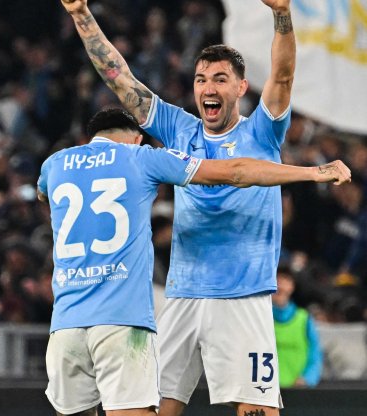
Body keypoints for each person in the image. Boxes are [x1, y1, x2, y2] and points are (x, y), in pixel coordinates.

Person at [60, 0, 299, 414]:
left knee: (255, 410)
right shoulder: (179, 128)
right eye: (201, 79)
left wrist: (282, 14)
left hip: (242, 296)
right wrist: (81, 14)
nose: (209, 88)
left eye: (221, 79)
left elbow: (282, 75)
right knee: (151, 407)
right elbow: (120, 79)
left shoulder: (262, 132)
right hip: (182, 296)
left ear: (241, 88)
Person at [37, 108, 349, 416]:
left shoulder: (55, 164)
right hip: (120, 321)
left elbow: (43, 193)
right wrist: (311, 172)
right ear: (136, 139)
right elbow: (236, 171)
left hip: (65, 323)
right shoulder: (142, 157)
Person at [272, 265, 322, 388]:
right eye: (276, 279)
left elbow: (315, 355)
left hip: (298, 390)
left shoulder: (304, 319)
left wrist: (307, 379)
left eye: (285, 280)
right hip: (265, 391)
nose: (280, 285)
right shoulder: (260, 318)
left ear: (292, 286)